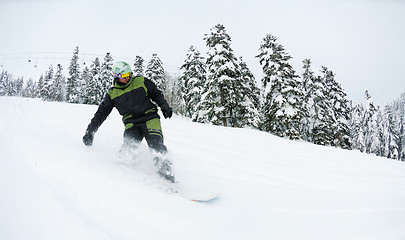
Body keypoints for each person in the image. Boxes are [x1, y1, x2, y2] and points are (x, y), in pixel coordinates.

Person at [82, 61, 175, 183]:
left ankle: (167, 180)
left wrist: (165, 106)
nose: (127, 79)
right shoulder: (112, 93)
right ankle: (124, 180)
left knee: (157, 147)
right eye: (123, 77)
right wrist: (90, 131)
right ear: (117, 77)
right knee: (127, 149)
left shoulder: (141, 81)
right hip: (132, 124)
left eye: (128, 76)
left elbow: (156, 94)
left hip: (150, 118)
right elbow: (101, 114)